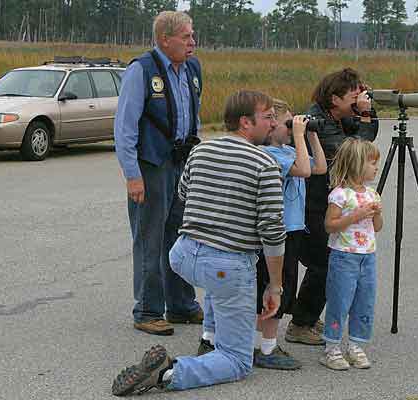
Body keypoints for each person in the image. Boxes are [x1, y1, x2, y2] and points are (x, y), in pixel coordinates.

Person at [111, 90, 286, 396]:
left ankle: (212, 335)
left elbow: (183, 194)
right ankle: (168, 372)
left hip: (183, 256)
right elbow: (272, 232)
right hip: (226, 266)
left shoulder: (200, 151)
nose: (273, 124)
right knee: (237, 361)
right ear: (246, 122)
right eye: (268, 117)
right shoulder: (265, 163)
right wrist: (274, 286)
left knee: (218, 284)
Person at [114, 11, 203, 336]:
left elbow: (195, 116)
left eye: (193, 36)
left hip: (182, 164)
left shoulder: (192, 69)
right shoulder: (141, 70)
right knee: (150, 240)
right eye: (186, 37)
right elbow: (124, 128)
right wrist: (132, 175)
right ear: (165, 39)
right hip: (151, 167)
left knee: (182, 237)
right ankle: (148, 310)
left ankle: (180, 305)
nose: (192, 42)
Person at [286, 68, 379, 345]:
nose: (358, 100)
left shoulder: (337, 118)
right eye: (353, 97)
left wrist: (365, 113)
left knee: (324, 262)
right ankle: (300, 324)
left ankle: (307, 317)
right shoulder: (316, 122)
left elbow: (368, 135)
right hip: (310, 206)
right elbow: (355, 151)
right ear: (334, 98)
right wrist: (362, 114)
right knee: (325, 264)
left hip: (323, 203)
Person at [251, 99, 327, 370]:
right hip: (277, 232)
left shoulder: (287, 149)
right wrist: (298, 136)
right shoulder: (271, 154)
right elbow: (305, 170)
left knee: (285, 287)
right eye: (287, 123)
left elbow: (319, 168)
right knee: (273, 288)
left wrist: (311, 134)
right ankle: (265, 346)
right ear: (271, 128)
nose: (291, 128)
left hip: (293, 230)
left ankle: (264, 343)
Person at [320, 138, 383, 370]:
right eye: (372, 163)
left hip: (367, 255)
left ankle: (356, 344)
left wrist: (376, 213)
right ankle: (332, 347)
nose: (376, 167)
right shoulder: (340, 195)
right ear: (357, 164)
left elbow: (377, 227)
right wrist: (356, 215)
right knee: (340, 301)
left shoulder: (372, 194)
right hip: (344, 256)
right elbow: (330, 225)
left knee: (364, 300)